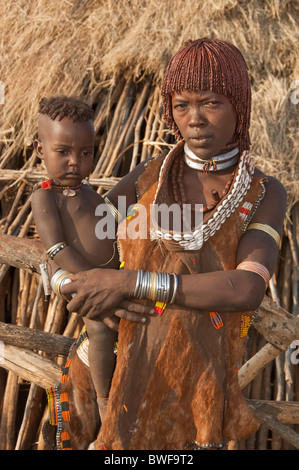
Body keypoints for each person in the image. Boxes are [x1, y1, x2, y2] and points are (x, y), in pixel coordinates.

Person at [62, 39, 287, 450]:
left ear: (240, 105)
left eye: (211, 102)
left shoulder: (263, 192)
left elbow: (247, 286)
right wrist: (75, 281)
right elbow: (88, 240)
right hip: (105, 371)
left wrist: (129, 284)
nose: (195, 118)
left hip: (192, 382)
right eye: (182, 105)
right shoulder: (150, 174)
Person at [31, 96, 153, 422]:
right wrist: (95, 280)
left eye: (86, 153)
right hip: (83, 280)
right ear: (39, 149)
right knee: (100, 329)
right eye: (63, 152)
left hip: (115, 277)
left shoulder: (87, 192)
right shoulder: (45, 196)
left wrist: (145, 170)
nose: (75, 162)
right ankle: (104, 400)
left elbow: (109, 214)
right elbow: (57, 248)